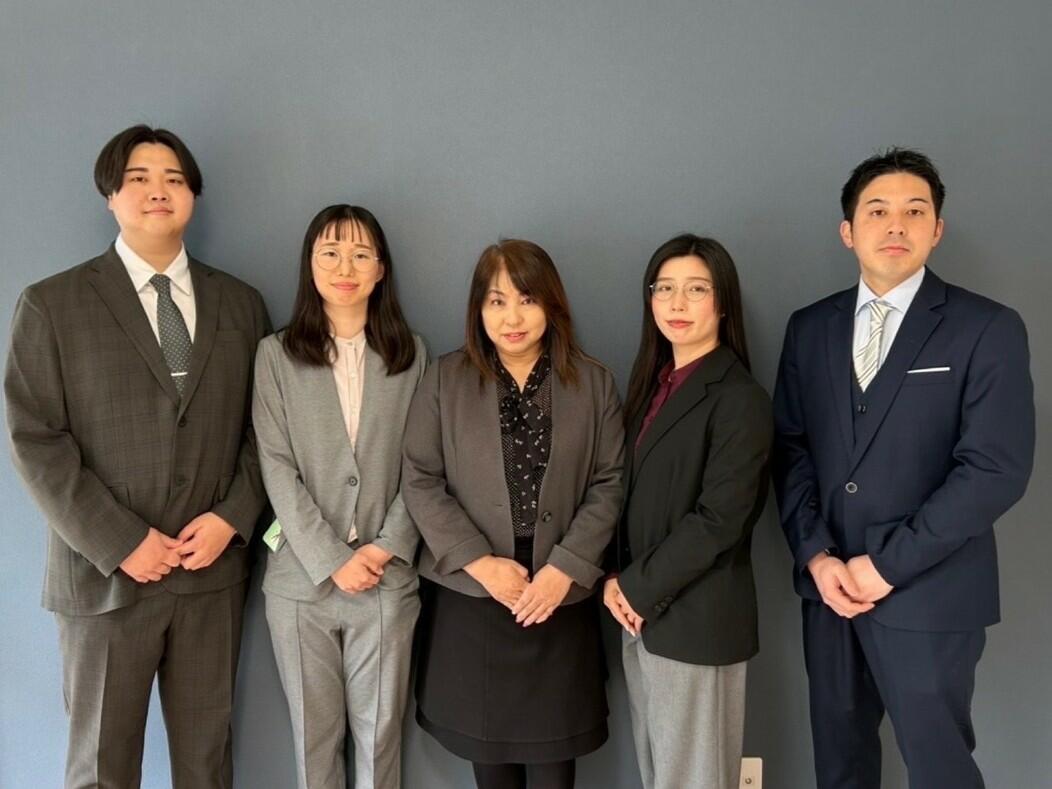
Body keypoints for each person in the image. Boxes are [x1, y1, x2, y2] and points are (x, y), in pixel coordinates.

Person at [4, 125, 271, 788]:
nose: (159, 190)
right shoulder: (52, 303)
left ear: (194, 197)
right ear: (111, 196)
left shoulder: (241, 304)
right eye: (140, 178)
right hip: (104, 582)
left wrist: (232, 519)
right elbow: (34, 436)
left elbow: (268, 433)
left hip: (211, 576)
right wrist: (121, 540)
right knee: (101, 767)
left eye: (175, 179)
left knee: (207, 765)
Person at [772, 148, 1035, 789]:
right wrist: (816, 556)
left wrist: (887, 564)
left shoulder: (986, 327)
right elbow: (790, 449)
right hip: (830, 593)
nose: (896, 226)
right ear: (848, 231)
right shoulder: (810, 328)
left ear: (937, 228)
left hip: (932, 590)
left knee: (940, 769)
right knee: (840, 768)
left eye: (915, 212)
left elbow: (995, 469)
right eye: (878, 211)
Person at [402, 239, 624, 789]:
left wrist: (564, 569)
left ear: (551, 304)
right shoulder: (445, 379)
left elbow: (610, 483)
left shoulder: (593, 383)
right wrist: (481, 563)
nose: (512, 317)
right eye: (496, 302)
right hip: (476, 604)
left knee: (555, 773)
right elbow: (420, 480)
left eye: (526, 299)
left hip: (558, 602)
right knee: (492, 772)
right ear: (478, 310)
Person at [252, 204, 426, 789]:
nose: (344, 266)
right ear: (310, 265)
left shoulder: (412, 355)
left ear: (381, 269)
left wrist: (384, 548)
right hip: (301, 583)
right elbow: (275, 467)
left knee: (381, 740)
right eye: (329, 252)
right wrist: (332, 558)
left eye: (360, 253)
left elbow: (423, 468)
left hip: (386, 579)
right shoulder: (275, 355)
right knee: (313, 739)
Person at [604, 235, 772, 789]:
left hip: (698, 622)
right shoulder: (654, 387)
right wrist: (614, 582)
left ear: (722, 303)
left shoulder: (738, 397)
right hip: (643, 617)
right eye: (665, 289)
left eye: (696, 289)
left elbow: (719, 519)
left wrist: (636, 589)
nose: (677, 303)